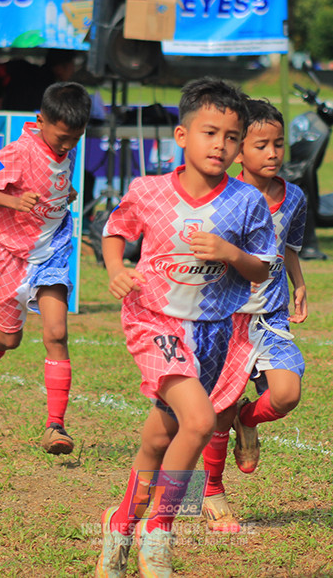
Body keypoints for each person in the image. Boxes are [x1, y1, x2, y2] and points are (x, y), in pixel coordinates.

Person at [95, 78, 277, 578]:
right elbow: (115, 231)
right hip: (155, 322)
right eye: (210, 132)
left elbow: (264, 266)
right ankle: (160, 533)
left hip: (216, 333)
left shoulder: (246, 202)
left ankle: (121, 522)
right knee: (197, 423)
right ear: (181, 135)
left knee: (161, 438)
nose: (221, 145)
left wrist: (231, 254)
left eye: (232, 136)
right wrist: (115, 268)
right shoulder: (148, 190)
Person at [199, 98, 309, 533]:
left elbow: (289, 248)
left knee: (286, 394)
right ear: (238, 150)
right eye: (261, 145)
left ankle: (249, 419)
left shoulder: (294, 196)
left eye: (278, 144)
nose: (273, 153)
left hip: (269, 318)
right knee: (213, 414)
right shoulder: (223, 195)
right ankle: (211, 494)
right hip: (225, 319)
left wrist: (299, 284)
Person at [0, 82, 92, 455]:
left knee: (56, 331)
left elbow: (54, 177)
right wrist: (14, 200)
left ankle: (56, 426)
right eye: (63, 137)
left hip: (51, 249)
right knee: (10, 338)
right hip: (12, 254)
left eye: (77, 138)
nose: (69, 146)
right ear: (41, 121)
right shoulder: (18, 151)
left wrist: (63, 194)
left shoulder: (65, 147)